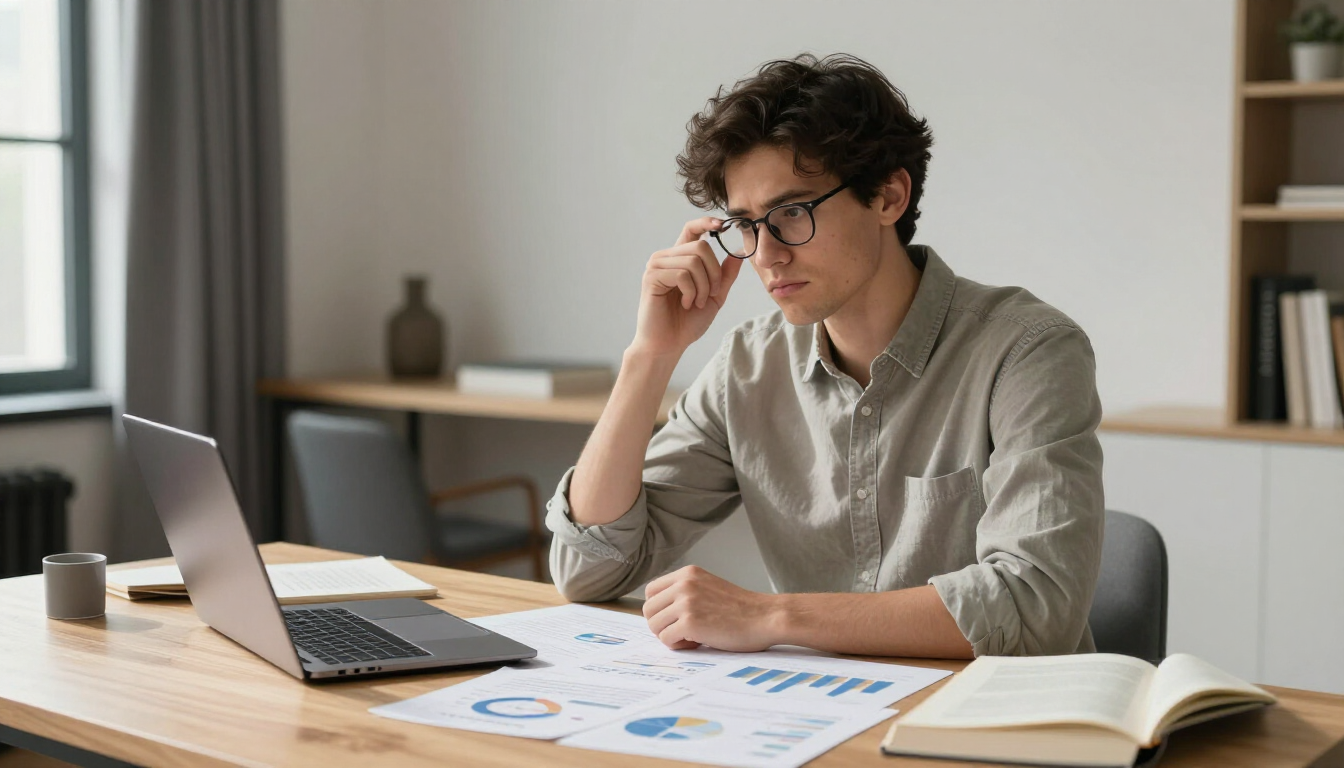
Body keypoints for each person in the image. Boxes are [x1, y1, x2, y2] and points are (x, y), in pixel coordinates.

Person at [544, 53, 1104, 659]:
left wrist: (773, 615)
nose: (766, 255)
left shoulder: (1027, 351)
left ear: (889, 196)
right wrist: (651, 355)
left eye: (792, 213)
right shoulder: (746, 368)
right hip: (825, 720)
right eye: (746, 224)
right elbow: (588, 570)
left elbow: (1033, 606)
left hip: (993, 728)